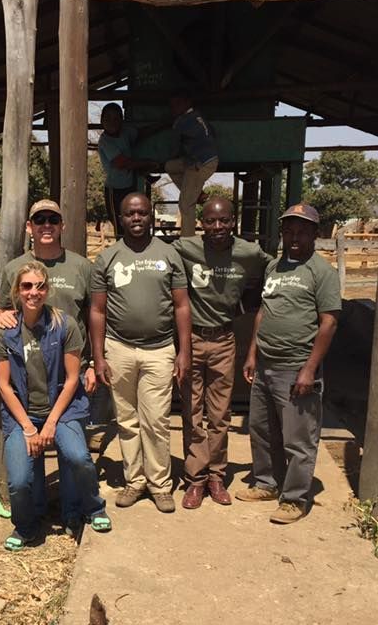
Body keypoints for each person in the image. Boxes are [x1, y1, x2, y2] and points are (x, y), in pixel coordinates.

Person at [0, 199, 97, 531]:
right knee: (30, 447)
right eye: (40, 220)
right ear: (29, 227)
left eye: (53, 219)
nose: (46, 225)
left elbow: (93, 317)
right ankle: (35, 512)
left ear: (62, 225)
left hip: (67, 371)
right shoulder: (15, 268)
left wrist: (92, 363)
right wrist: (1, 317)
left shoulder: (80, 266)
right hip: (27, 371)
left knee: (71, 450)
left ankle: (71, 511)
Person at [0, 262, 110, 550]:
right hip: (23, 415)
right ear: (17, 291)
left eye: (40, 286)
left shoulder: (64, 324)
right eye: (27, 286)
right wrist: (30, 428)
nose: (34, 292)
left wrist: (51, 423)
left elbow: (72, 380)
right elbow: (4, 386)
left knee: (78, 457)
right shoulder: (6, 333)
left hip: (63, 408)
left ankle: (94, 508)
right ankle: (26, 526)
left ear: (47, 290)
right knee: (19, 480)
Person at [237, 203, 341, 524]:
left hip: (296, 367)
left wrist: (309, 369)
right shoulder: (275, 268)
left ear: (314, 234)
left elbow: (329, 323)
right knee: (262, 430)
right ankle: (266, 482)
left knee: (299, 438)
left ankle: (295, 498)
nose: (294, 236)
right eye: (289, 230)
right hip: (266, 364)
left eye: (302, 231)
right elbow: (263, 312)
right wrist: (252, 354)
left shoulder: (321, 272)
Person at [91, 192, 192, 513]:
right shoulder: (108, 258)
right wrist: (99, 356)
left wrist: (183, 351)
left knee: (157, 420)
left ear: (152, 216)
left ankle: (160, 484)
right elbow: (97, 311)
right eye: (130, 214)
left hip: (160, 350)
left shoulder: (169, 255)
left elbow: (181, 305)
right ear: (120, 219)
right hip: (118, 348)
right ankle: (134, 481)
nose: (137, 219)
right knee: (127, 420)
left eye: (143, 213)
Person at [173, 197, 272, 509]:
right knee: (191, 411)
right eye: (211, 221)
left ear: (234, 221)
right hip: (192, 340)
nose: (217, 227)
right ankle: (195, 479)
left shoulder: (248, 252)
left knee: (220, 414)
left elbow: (275, 269)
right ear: (202, 222)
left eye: (224, 221)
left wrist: (247, 305)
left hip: (224, 340)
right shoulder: (185, 248)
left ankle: (217, 475)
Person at [98, 104, 159, 236]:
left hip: (131, 186)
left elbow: (141, 133)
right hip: (115, 190)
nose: (111, 122)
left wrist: (160, 126)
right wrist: (147, 163)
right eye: (108, 118)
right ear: (101, 120)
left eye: (116, 118)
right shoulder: (105, 141)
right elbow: (122, 163)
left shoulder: (126, 132)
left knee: (135, 221)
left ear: (121, 120)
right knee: (120, 226)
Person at [165, 93, 219, 237]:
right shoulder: (199, 116)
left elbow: (174, 149)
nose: (173, 108)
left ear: (187, 102)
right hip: (210, 159)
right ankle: (197, 193)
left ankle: (187, 241)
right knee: (170, 166)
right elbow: (213, 133)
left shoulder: (181, 122)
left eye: (176, 104)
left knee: (186, 204)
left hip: (198, 164)